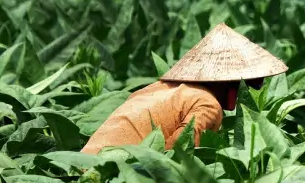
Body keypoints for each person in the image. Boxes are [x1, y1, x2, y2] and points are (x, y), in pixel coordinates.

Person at [80, 23, 288, 154]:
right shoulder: (207, 104)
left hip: (82, 163)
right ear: (230, 83)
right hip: (113, 173)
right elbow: (177, 156)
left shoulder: (159, 88)